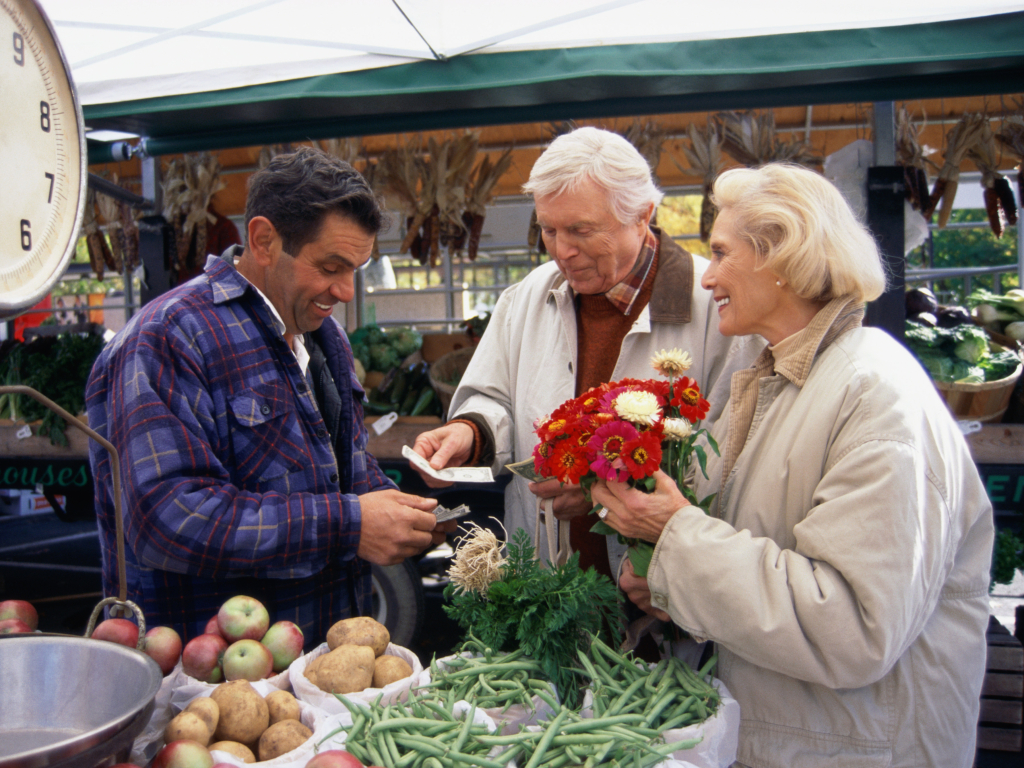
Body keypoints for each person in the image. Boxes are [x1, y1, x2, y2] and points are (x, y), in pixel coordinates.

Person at [592, 163, 993, 767]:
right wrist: (666, 580)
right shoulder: (777, 379)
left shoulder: (874, 393)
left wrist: (673, 536)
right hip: (804, 741)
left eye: (723, 253)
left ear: (781, 257)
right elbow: (751, 546)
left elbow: (854, 628)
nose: (709, 279)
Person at [86, 147, 451, 645]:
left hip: (322, 659)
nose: (345, 291)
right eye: (331, 266)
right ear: (263, 240)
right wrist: (349, 525)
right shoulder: (169, 335)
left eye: (355, 270)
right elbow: (168, 518)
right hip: (214, 685)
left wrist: (400, 510)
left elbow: (343, 468)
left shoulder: (325, 337)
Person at [411, 127, 758, 580]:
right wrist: (471, 433)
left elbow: (736, 456)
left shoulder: (713, 304)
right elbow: (492, 398)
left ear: (642, 215)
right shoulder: (527, 298)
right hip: (545, 593)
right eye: (549, 230)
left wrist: (601, 487)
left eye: (580, 230)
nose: (562, 251)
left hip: (659, 598)